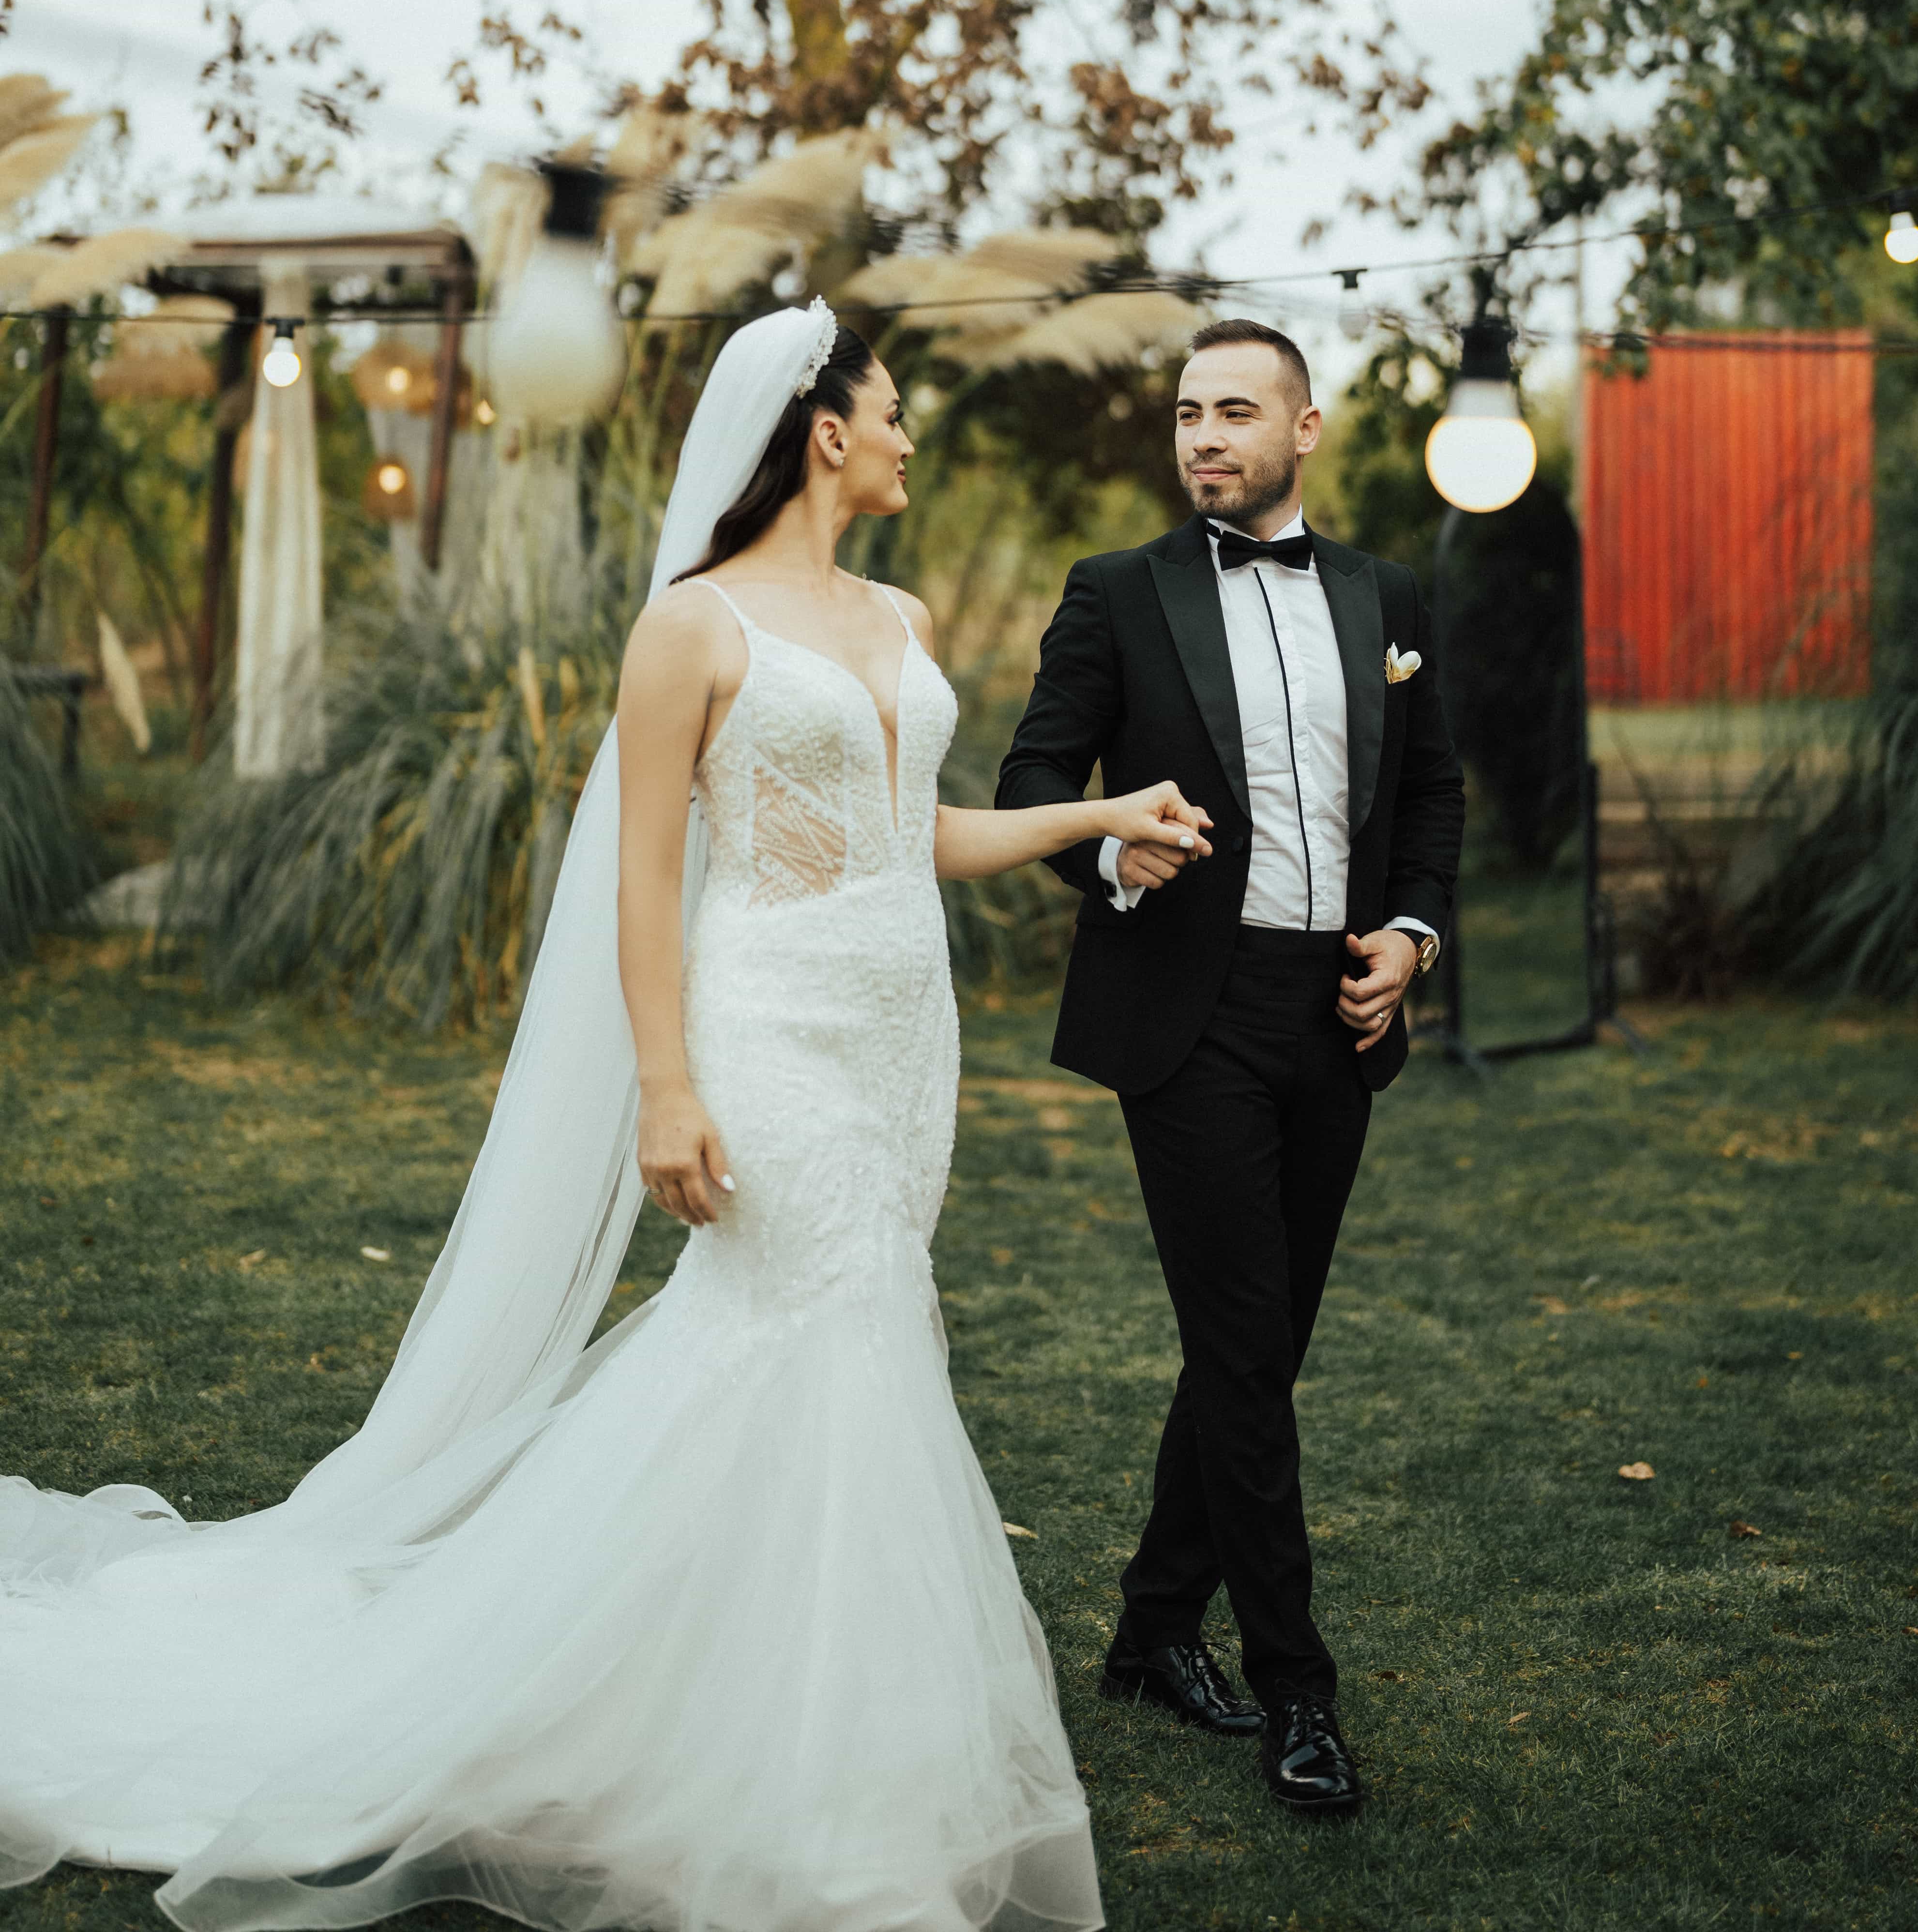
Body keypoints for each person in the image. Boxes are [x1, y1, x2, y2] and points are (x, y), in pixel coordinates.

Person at [0, 300, 1212, 1932]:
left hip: (900, 1038)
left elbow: (913, 832)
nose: (912, 436)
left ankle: (724, 1699)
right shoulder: (690, 630)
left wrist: (1099, 818)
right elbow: (646, 879)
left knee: (834, 1333)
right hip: (767, 1021)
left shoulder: (900, 612)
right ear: (828, 433)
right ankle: (830, 1786)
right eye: (895, 412)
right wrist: (668, 1084)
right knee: (821, 1329)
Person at [997, 318, 1465, 1818]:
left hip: (1336, 1011)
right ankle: (1299, 1693)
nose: (1204, 435)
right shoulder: (1118, 592)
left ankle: (1151, 1628)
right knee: (1251, 1349)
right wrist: (1109, 847)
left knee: (1255, 1347)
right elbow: (1032, 780)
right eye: (1189, 412)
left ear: (1305, 429)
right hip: (1187, 1017)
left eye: (1236, 412)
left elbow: (1431, 791)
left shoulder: (1385, 597)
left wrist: (1412, 937)